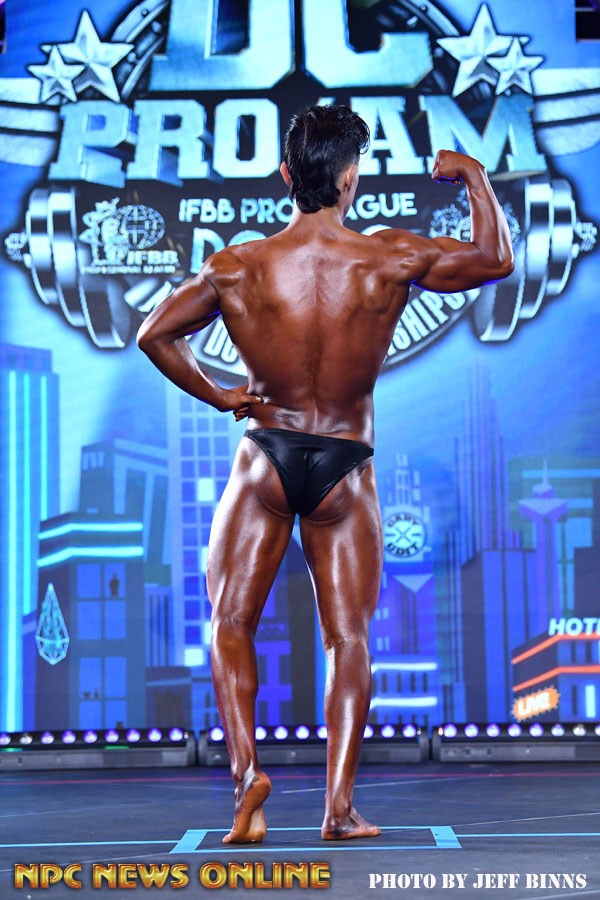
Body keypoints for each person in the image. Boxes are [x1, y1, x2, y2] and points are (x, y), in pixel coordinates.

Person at [137, 104, 514, 844]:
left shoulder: (237, 265)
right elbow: (493, 259)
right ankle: (338, 810)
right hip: (345, 464)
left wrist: (222, 396)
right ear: (350, 180)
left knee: (230, 622)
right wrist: (472, 174)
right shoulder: (388, 257)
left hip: (266, 457)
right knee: (348, 639)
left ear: (286, 175)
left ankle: (248, 778)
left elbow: (155, 335)